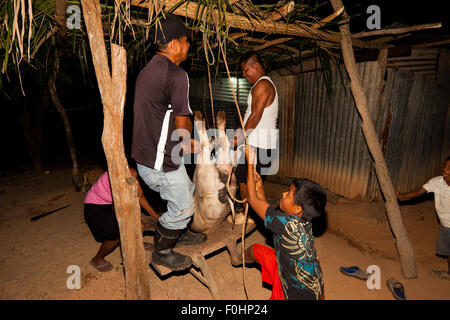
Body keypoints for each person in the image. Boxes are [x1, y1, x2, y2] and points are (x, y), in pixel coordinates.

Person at [131, 14, 205, 271]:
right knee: (183, 208)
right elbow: (181, 118)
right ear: (173, 43)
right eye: (185, 41)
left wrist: (184, 141)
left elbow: (160, 114)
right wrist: (186, 142)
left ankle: (179, 233)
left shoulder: (145, 72)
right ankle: (162, 251)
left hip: (145, 157)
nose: (188, 46)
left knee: (188, 189)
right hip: (163, 162)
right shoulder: (177, 75)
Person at [231, 146, 326, 300]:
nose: (283, 193)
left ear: (296, 209)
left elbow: (252, 200)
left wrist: (250, 165)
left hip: (293, 294)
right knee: (256, 250)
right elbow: (265, 210)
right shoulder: (303, 222)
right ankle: (237, 259)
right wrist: (259, 186)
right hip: (308, 285)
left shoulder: (286, 225)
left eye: (288, 194)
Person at [84, 166, 160, 272]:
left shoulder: (131, 175)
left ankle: (135, 243)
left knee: (133, 222)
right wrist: (136, 221)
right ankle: (97, 259)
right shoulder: (118, 174)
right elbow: (119, 207)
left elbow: (140, 196)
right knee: (115, 236)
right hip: (95, 205)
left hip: (112, 204)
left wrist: (157, 217)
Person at [234, 51, 279, 204]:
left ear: (256, 65)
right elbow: (248, 114)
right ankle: (251, 213)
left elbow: (255, 116)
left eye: (246, 70)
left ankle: (252, 215)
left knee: (249, 181)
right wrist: (237, 135)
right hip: (252, 143)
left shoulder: (263, 85)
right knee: (244, 178)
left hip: (258, 145)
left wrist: (237, 140)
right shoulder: (258, 85)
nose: (244, 74)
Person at [396, 156, 450, 280]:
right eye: (445, 166)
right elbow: (420, 191)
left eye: (449, 168)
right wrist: (401, 196)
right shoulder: (437, 182)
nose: (445, 170)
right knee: (448, 252)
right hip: (445, 225)